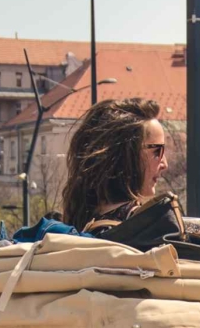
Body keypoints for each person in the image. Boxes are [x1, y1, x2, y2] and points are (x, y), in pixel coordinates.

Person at [59, 99, 169, 230]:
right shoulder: (146, 229)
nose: (164, 164)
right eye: (157, 151)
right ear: (125, 155)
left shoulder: (73, 225)